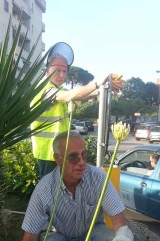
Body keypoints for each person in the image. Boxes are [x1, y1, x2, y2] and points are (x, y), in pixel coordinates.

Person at [18, 131, 154, 241]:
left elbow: (118, 216)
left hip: (93, 233)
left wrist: (123, 236)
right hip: (61, 236)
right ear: (57, 159)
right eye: (74, 157)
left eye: (84, 155)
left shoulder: (98, 177)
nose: (81, 162)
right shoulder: (44, 189)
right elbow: (30, 237)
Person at [31, 50, 110, 178]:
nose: (62, 75)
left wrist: (100, 90)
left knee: (61, 191)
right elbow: (70, 95)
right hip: (48, 153)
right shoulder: (44, 90)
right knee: (51, 193)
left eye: (64, 71)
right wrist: (96, 84)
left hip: (59, 151)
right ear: (47, 72)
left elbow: (78, 95)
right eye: (57, 70)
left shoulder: (59, 89)